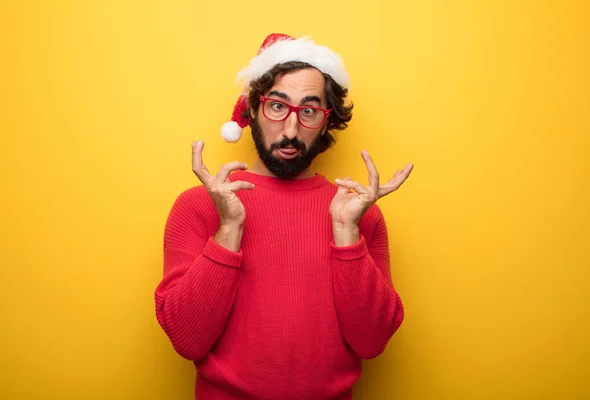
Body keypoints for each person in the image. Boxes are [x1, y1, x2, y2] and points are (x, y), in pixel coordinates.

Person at [154, 33, 414, 400]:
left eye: (308, 111)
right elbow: (187, 340)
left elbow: (371, 342)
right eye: (278, 106)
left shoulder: (358, 216)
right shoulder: (200, 205)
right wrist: (229, 229)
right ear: (253, 109)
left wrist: (347, 235)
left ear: (326, 122)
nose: (290, 131)